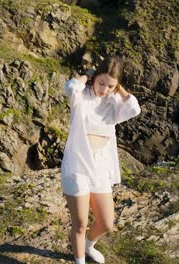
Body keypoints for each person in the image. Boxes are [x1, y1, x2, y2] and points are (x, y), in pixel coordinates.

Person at [60, 56, 141, 264]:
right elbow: (70, 86)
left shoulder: (113, 102)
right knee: (79, 223)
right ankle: (79, 260)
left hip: (100, 167)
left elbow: (134, 108)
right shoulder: (82, 97)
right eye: (101, 82)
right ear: (94, 79)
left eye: (110, 85)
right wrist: (88, 74)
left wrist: (117, 86)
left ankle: (89, 245)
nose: (104, 89)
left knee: (106, 223)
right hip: (78, 164)